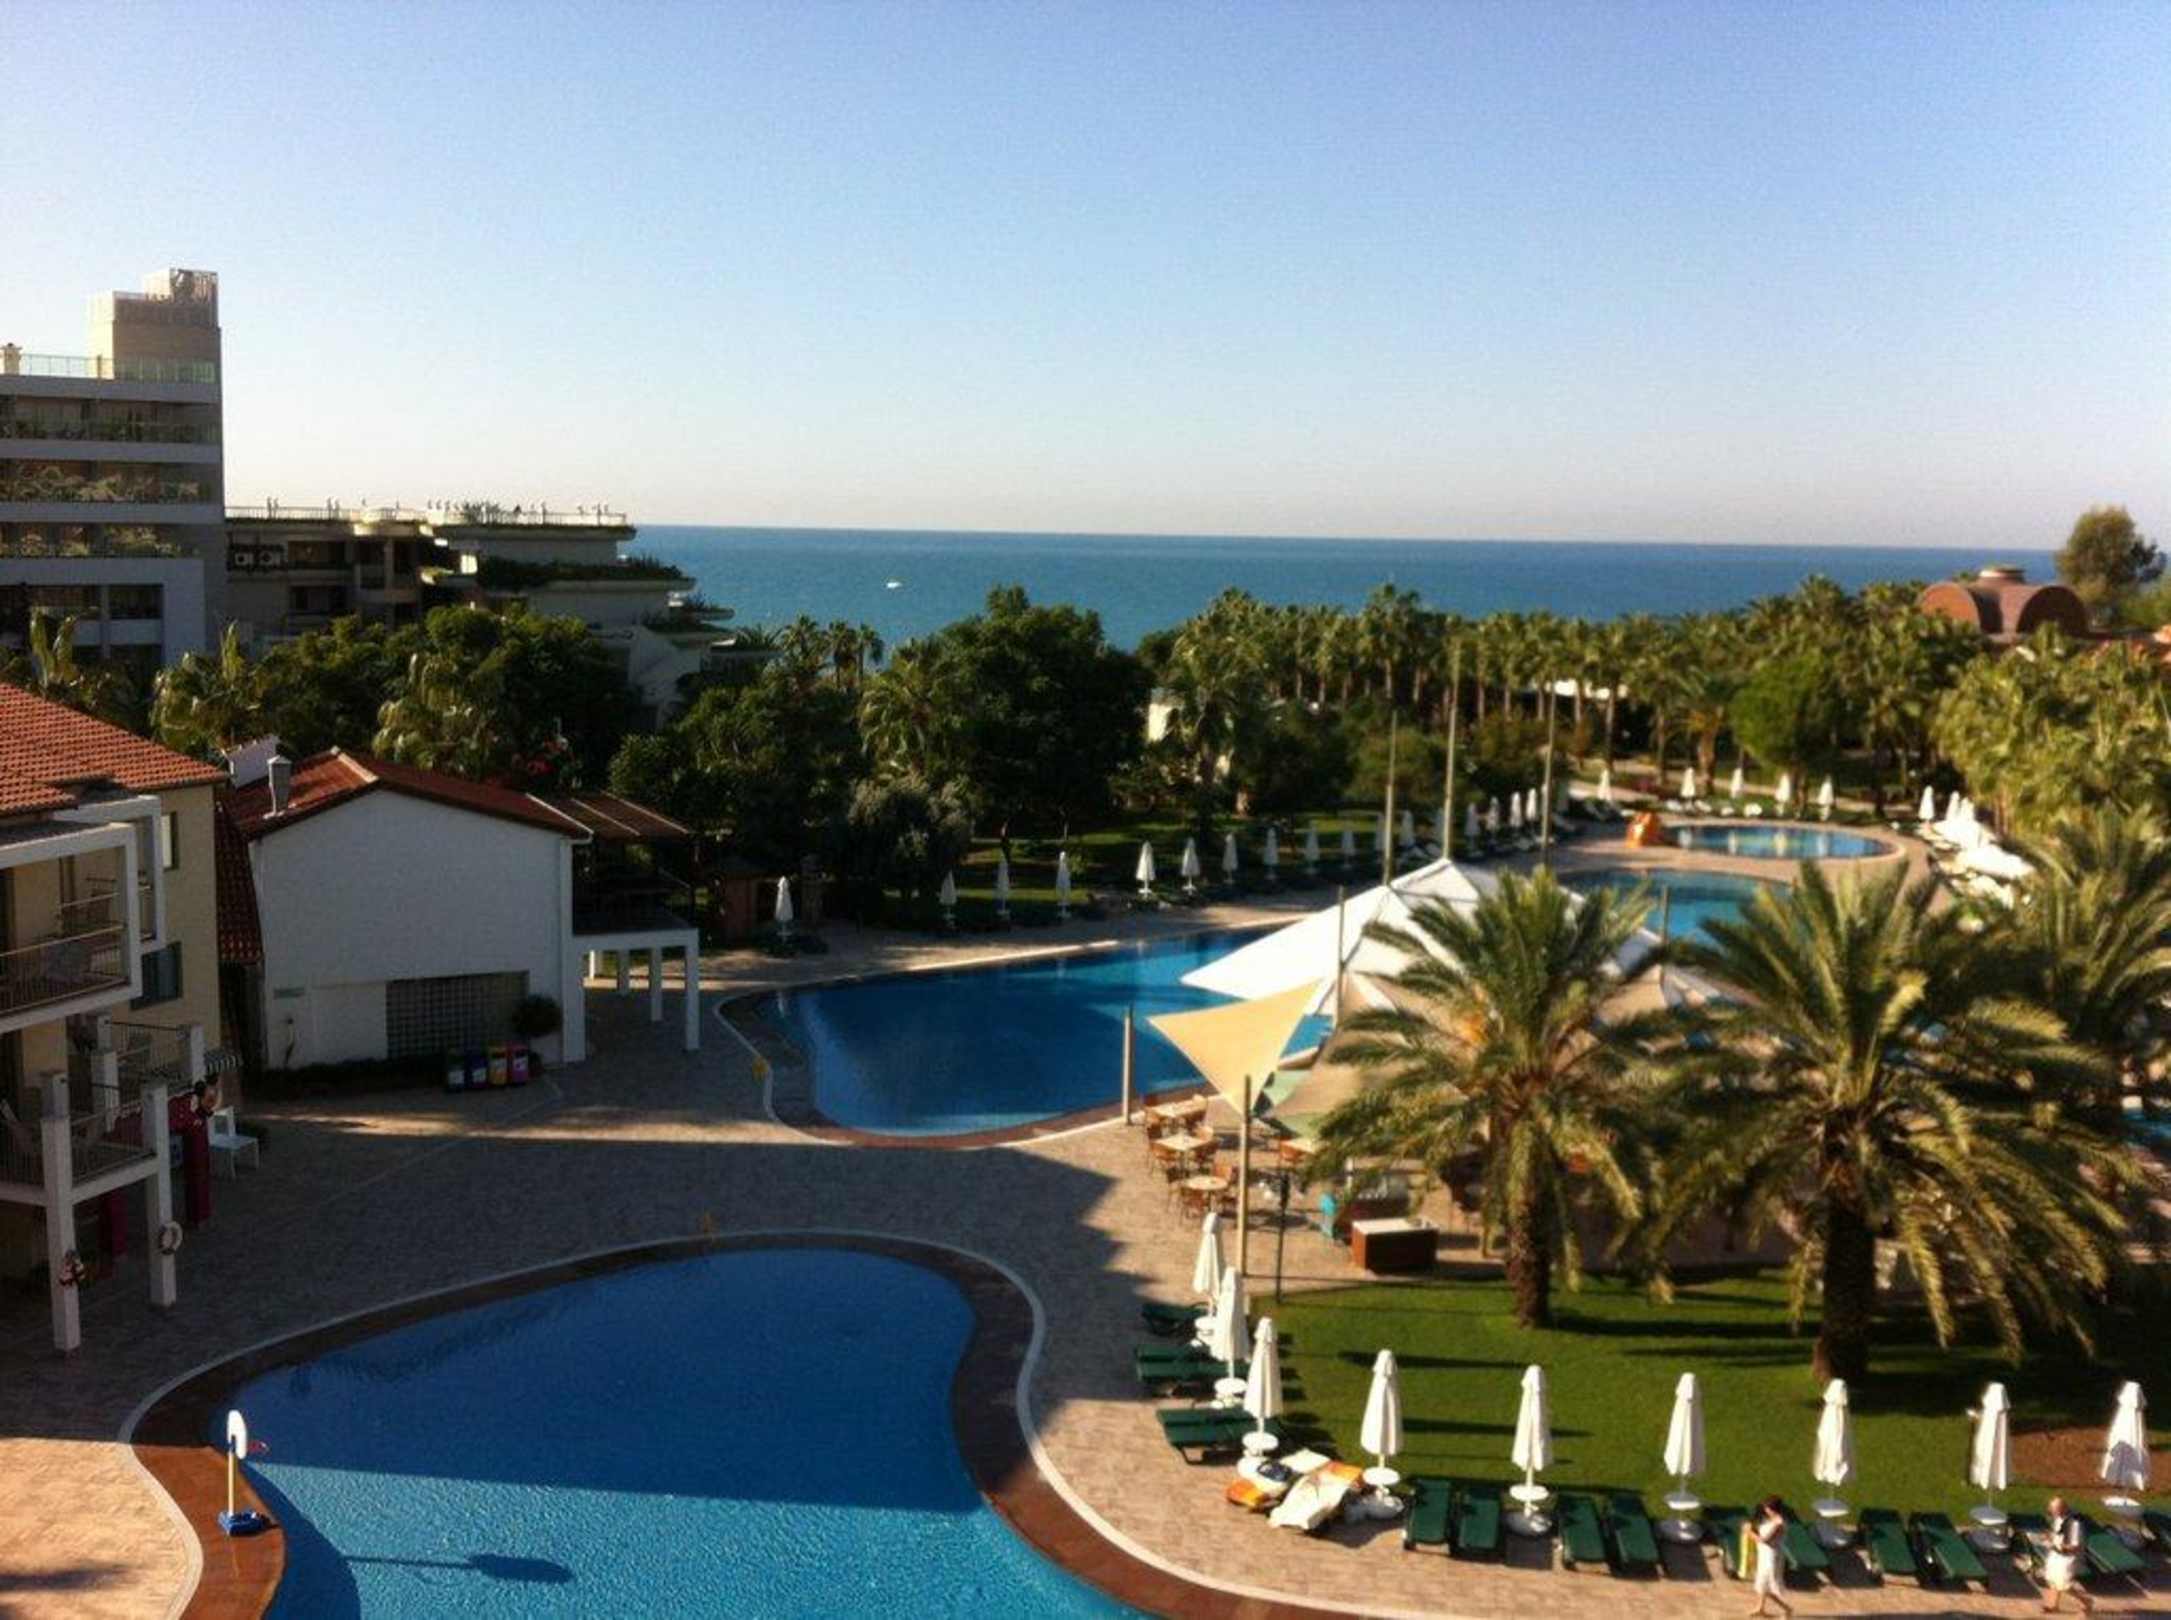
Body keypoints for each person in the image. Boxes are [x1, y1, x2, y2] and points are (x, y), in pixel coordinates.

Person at [2042, 1496, 2093, 1614]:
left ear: (2063, 1509)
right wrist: (2049, 1537)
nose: (2051, 1511)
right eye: (2051, 1509)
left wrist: (2057, 1545)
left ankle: (2086, 1601)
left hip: (2068, 1557)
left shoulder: (2074, 1524)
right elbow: (2058, 1534)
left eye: (2054, 1509)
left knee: (2064, 1585)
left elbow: (2076, 1545)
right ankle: (2054, 1605)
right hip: (2056, 1554)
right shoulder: (2058, 1520)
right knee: (2052, 1580)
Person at [1749, 1496, 1794, 1618]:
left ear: (1773, 1509)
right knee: (1762, 1582)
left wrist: (1749, 1533)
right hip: (1764, 1555)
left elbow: (1765, 1540)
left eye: (1767, 1508)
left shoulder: (1779, 1523)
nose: (1765, 1510)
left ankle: (1787, 1609)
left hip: (1772, 1557)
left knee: (1769, 1586)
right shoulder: (1768, 1518)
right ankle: (1760, 1608)